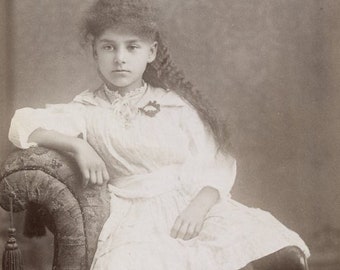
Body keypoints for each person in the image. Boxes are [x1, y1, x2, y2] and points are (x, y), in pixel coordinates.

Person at [8, 0, 310, 269]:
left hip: (194, 205)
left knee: (275, 249)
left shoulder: (172, 104)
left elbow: (214, 161)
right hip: (136, 217)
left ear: (151, 52)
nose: (120, 58)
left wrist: (199, 207)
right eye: (109, 47)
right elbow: (22, 124)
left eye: (132, 47)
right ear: (95, 52)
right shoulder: (87, 109)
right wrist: (76, 145)